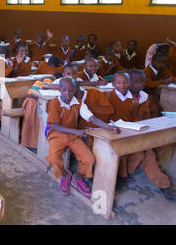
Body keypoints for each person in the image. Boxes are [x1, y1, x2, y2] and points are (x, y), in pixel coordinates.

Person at [47, 78, 120, 197]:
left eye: (71, 90)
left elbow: (92, 118)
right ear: (59, 90)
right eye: (64, 90)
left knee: (89, 159)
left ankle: (78, 176)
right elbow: (56, 126)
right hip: (57, 134)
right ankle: (65, 175)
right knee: (53, 159)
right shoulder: (54, 103)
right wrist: (78, 131)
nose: (67, 93)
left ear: (75, 90)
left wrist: (109, 127)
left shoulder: (79, 103)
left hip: (74, 136)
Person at [121, 69, 175, 201]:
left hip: (143, 132)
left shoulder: (145, 97)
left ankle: (153, 167)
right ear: (128, 83)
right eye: (136, 82)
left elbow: (147, 116)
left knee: (165, 141)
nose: (140, 85)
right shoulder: (121, 96)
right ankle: (164, 184)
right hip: (127, 135)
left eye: (142, 82)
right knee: (148, 155)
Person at [143, 52, 174, 117]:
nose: (161, 64)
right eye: (159, 62)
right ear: (152, 61)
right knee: (156, 107)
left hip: (159, 92)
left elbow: (170, 77)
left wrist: (172, 79)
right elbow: (147, 84)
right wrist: (162, 82)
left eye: (163, 63)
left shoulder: (162, 69)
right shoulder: (147, 71)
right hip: (148, 93)